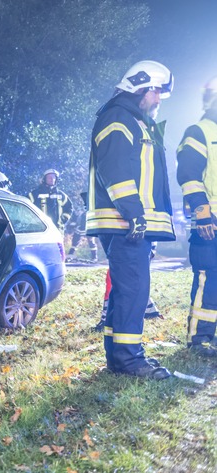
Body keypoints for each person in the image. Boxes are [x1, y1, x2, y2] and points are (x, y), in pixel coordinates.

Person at [86, 60, 175, 380]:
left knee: (126, 290)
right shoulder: (119, 117)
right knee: (134, 291)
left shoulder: (131, 119)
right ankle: (128, 360)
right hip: (125, 222)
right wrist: (134, 213)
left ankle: (119, 356)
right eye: (156, 91)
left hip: (127, 222)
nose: (159, 98)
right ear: (140, 86)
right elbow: (116, 168)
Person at [176, 75, 217, 357]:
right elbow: (189, 175)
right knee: (207, 278)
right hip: (209, 224)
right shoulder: (200, 130)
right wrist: (203, 214)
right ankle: (200, 338)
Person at [93, 243, 162, 333]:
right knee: (125, 279)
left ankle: (106, 318)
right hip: (129, 242)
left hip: (136, 243)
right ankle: (151, 310)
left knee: (118, 278)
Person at [66, 191, 98, 262]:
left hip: (89, 227)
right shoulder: (80, 207)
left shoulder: (92, 207)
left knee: (91, 242)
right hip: (80, 228)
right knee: (75, 243)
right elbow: (76, 216)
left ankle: (94, 257)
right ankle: (70, 256)